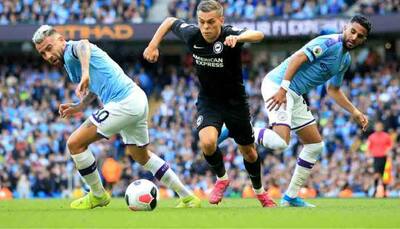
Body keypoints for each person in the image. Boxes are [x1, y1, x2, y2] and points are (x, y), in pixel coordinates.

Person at [32, 25, 200, 209]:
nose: (48, 56)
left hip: (123, 101)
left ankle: (97, 195)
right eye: (42, 54)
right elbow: (95, 89)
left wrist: (86, 72)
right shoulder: (69, 65)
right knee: (141, 156)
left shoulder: (72, 49)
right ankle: (188, 197)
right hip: (135, 99)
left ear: (61, 39)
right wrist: (79, 106)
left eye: (49, 48)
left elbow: (84, 45)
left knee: (74, 144)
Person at [219, 15, 371, 207]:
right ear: (345, 27)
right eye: (353, 31)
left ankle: (290, 197)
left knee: (315, 145)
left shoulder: (345, 60)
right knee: (281, 142)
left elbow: (333, 90)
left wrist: (355, 112)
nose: (354, 37)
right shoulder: (329, 42)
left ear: (364, 40)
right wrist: (283, 89)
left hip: (294, 93)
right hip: (278, 85)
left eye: (360, 36)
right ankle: (235, 129)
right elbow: (298, 58)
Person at [143, 0, 276, 207]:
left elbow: (259, 35)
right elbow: (169, 21)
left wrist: (238, 37)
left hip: (235, 103)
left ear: (221, 20)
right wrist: (153, 45)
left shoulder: (230, 34)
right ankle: (222, 179)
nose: (205, 27)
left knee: (249, 152)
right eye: (202, 22)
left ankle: (260, 192)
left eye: (211, 22)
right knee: (207, 142)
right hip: (209, 101)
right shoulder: (192, 35)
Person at [367, 121, 392, 197]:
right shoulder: (371, 137)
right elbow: (368, 147)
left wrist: (387, 151)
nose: (378, 128)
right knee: (376, 174)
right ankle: (375, 190)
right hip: (376, 157)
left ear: (382, 127)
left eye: (379, 126)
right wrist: (369, 156)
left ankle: (383, 191)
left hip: (384, 157)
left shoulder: (386, 136)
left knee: (383, 175)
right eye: (377, 126)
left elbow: (390, 145)